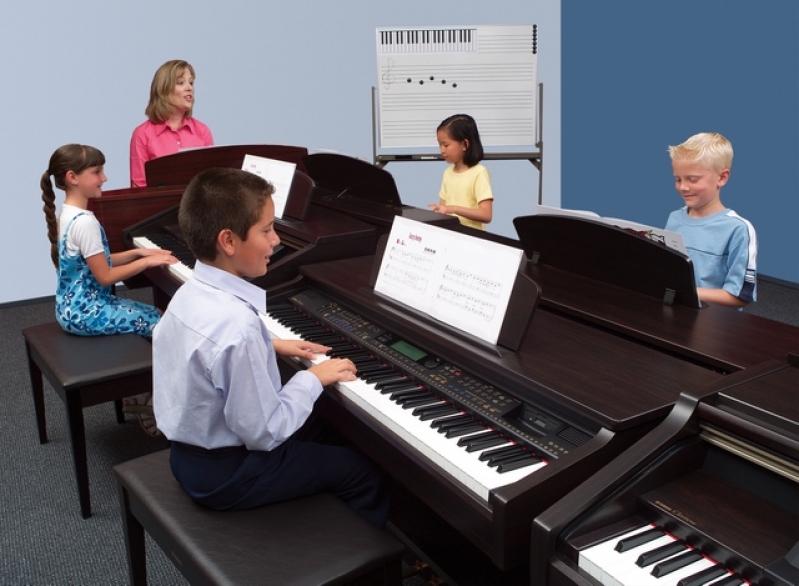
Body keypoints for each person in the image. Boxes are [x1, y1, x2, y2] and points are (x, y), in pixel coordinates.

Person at [152, 167, 390, 527]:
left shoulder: (190, 292)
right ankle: (345, 560)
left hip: (188, 459)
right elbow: (265, 432)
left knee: (329, 428)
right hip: (228, 475)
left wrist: (270, 344)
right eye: (266, 230)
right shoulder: (237, 327)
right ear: (228, 241)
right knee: (363, 471)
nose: (277, 240)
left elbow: (207, 351)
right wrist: (313, 379)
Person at [41, 144, 178, 434]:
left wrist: (136, 254)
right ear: (72, 177)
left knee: (154, 314)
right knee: (162, 322)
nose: (104, 178)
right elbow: (105, 276)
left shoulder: (67, 213)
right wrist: (148, 263)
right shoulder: (85, 222)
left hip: (71, 308)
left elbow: (95, 261)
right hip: (89, 312)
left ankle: (138, 393)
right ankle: (149, 398)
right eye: (97, 172)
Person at [666, 132, 757, 308]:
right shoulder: (674, 218)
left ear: (722, 177)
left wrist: (687, 292)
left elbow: (740, 296)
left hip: (715, 325)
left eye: (693, 180)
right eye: (678, 179)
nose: (683, 187)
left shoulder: (738, 230)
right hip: (675, 313)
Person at [129, 59, 214, 187]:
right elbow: (139, 187)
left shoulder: (202, 131)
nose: (189, 88)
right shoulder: (142, 134)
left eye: (191, 82)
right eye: (181, 83)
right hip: (160, 206)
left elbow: (212, 182)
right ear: (164, 90)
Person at [428, 113, 493, 230]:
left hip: (472, 240)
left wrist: (453, 209)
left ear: (465, 144)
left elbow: (486, 214)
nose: (441, 150)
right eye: (440, 144)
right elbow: (444, 210)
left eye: (446, 145)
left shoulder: (479, 173)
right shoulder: (447, 173)